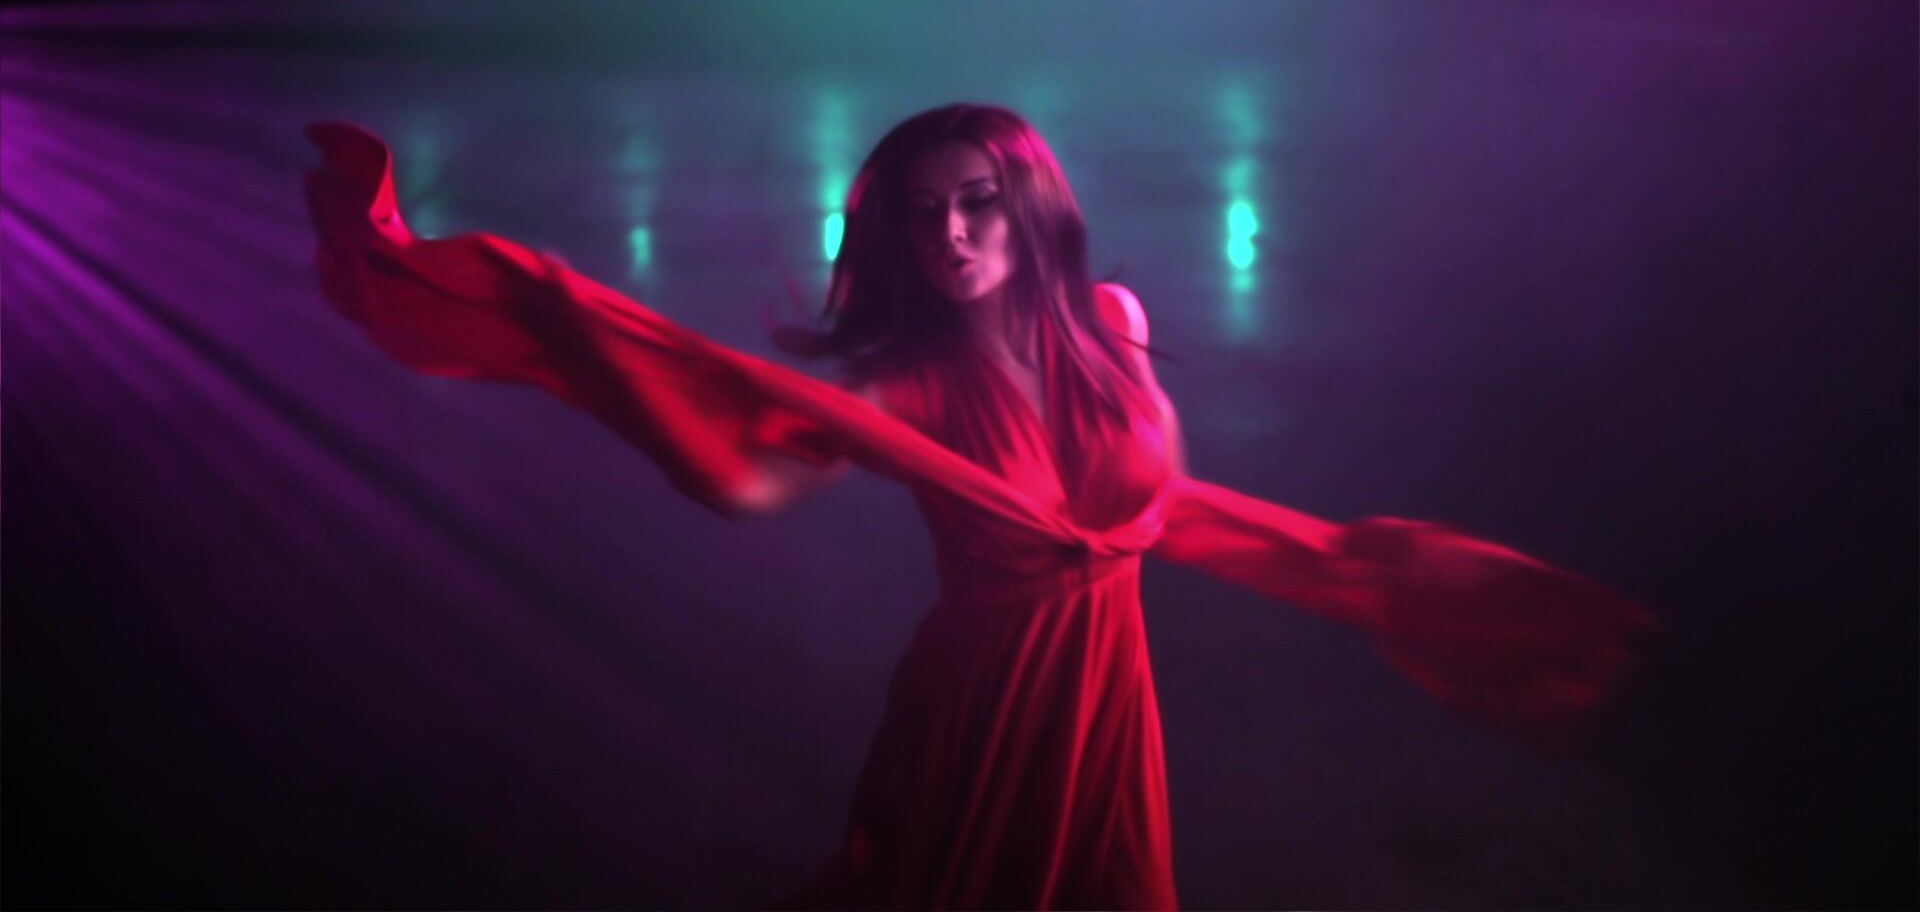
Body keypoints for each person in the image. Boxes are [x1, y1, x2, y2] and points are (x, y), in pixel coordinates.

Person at [301, 104, 1660, 911]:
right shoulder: (899, 382)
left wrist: (1351, 575)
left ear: (1029, 211)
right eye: (921, 215)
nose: (949, 234)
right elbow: (741, 483)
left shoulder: (1114, 321)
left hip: (1106, 690)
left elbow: (1155, 503)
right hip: (985, 698)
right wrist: (572, 326)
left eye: (977, 205)